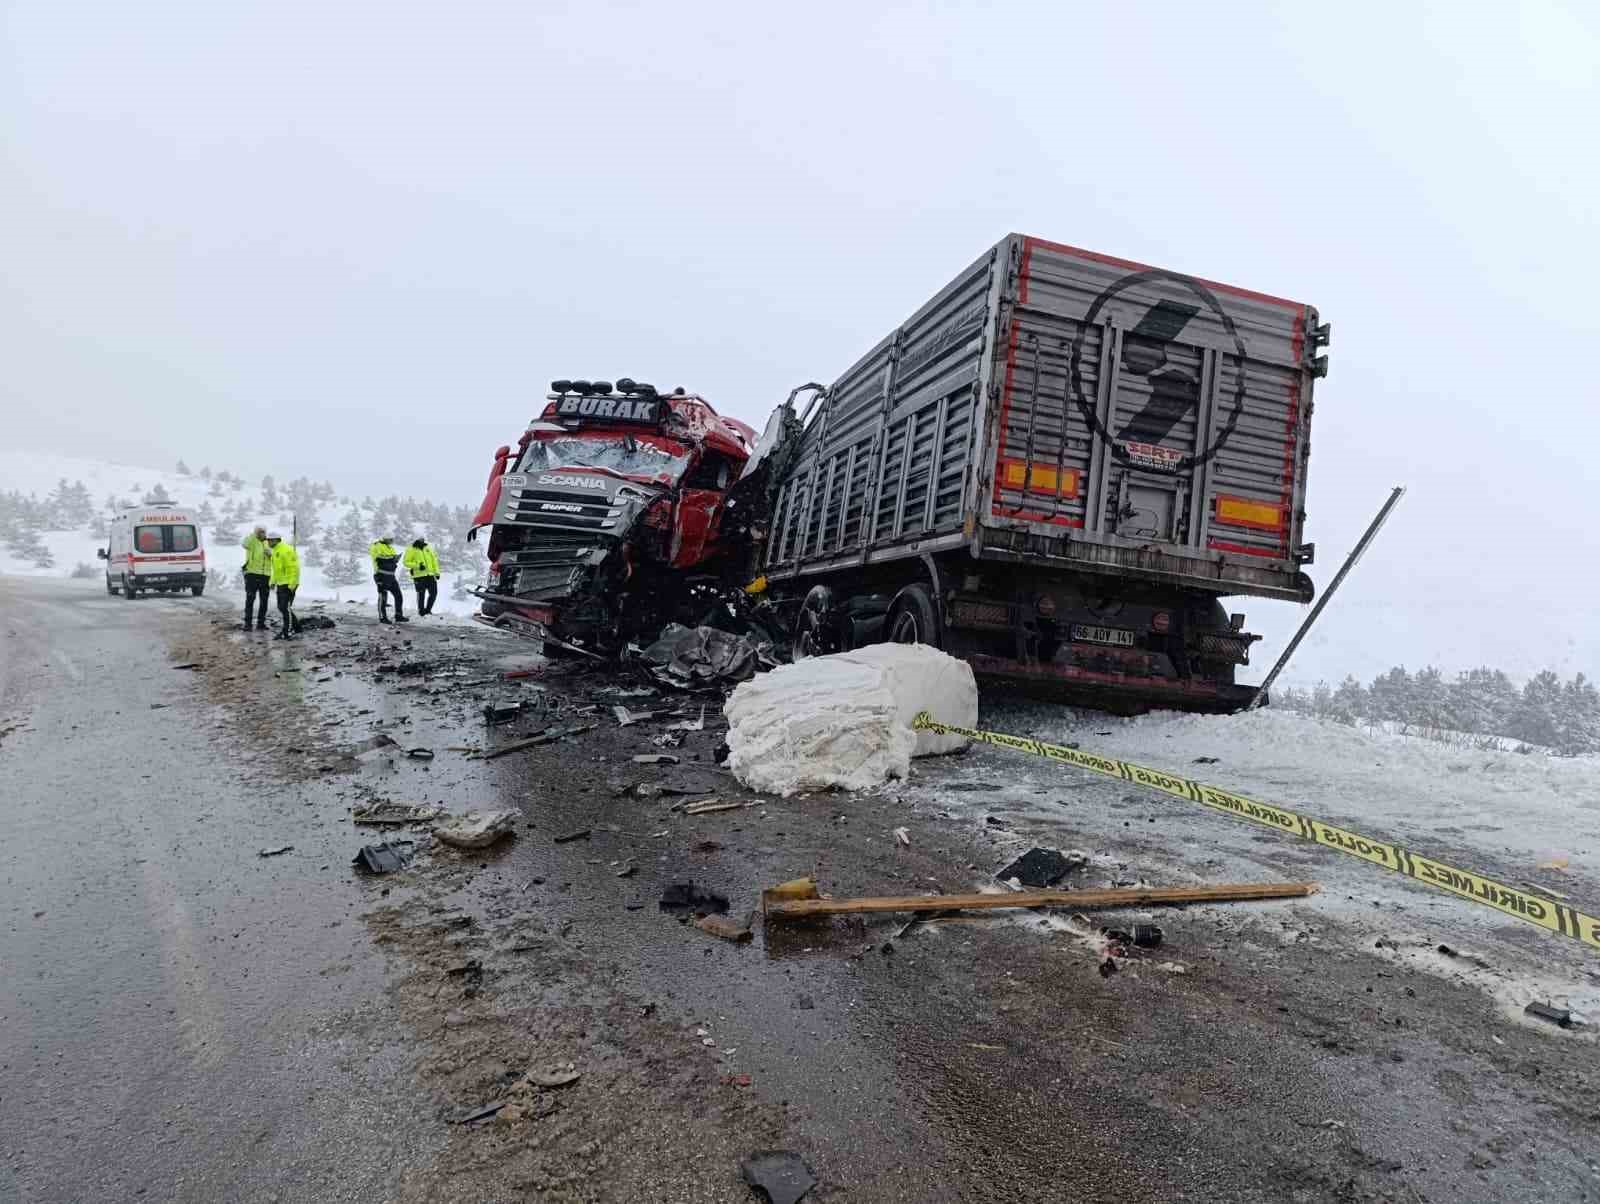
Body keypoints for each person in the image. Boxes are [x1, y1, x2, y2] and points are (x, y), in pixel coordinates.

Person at [267, 532, 300, 641]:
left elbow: (294, 568)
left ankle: (287, 631)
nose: (268, 542)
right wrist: (273, 582)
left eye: (270, 540)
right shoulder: (275, 551)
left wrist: (292, 584)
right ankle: (296, 627)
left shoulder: (286, 550)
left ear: (276, 540)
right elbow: (276, 570)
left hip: (289, 584)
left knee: (285, 607)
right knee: (282, 607)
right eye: (267, 540)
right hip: (281, 583)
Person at [369, 534, 408, 624]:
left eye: (392, 539)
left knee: (398, 595)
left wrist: (395, 559)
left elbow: (391, 560)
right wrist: (392, 558)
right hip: (381, 575)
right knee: (383, 596)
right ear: (386, 539)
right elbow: (379, 558)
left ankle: (398, 616)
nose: (392, 541)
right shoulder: (377, 546)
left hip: (391, 576)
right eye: (390, 539)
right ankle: (382, 617)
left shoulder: (390, 548)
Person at [241, 525, 272, 630]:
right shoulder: (252, 541)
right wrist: (253, 534)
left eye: (263, 532)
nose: (262, 534)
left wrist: (271, 554)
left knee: (264, 601)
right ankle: (248, 624)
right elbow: (244, 544)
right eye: (259, 532)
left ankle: (261, 623)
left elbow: (275, 556)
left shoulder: (268, 542)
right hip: (252, 574)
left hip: (266, 575)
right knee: (250, 599)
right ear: (256, 532)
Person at [403, 537, 441, 616]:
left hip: (430, 575)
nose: (422, 540)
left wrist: (437, 572)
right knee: (421, 594)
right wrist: (418, 566)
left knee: (434, 593)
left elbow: (434, 560)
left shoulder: (428, 548)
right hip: (419, 576)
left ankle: (428, 610)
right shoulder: (411, 549)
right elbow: (406, 562)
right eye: (420, 539)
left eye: (423, 539)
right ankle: (421, 611)